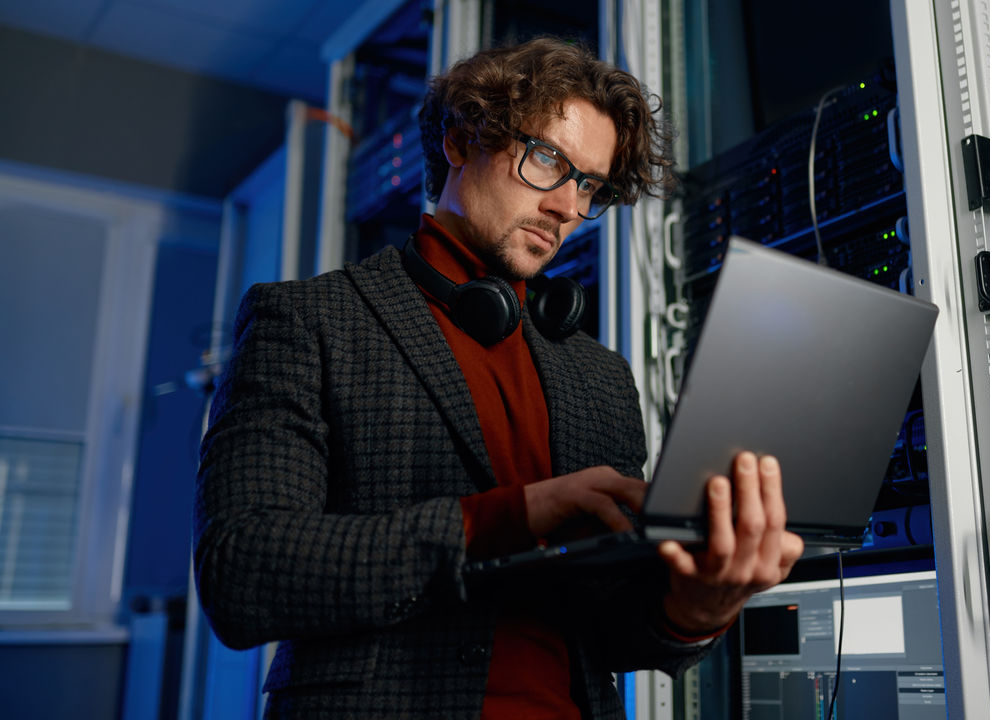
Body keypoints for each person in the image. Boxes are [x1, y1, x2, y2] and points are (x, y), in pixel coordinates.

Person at [194, 36, 804, 719]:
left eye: (590, 185)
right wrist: (516, 515)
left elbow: (609, 630)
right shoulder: (309, 320)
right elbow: (242, 572)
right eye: (550, 160)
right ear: (460, 140)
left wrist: (698, 606)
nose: (570, 207)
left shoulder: (600, 377)